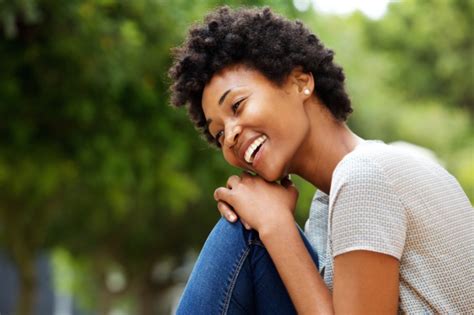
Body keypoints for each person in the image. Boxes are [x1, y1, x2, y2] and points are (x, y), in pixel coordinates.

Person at [168, 6, 473, 314]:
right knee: (246, 228)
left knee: (243, 234)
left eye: (237, 105)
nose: (230, 135)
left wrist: (275, 224)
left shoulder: (365, 175)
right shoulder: (330, 202)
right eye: (218, 134)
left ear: (301, 82)